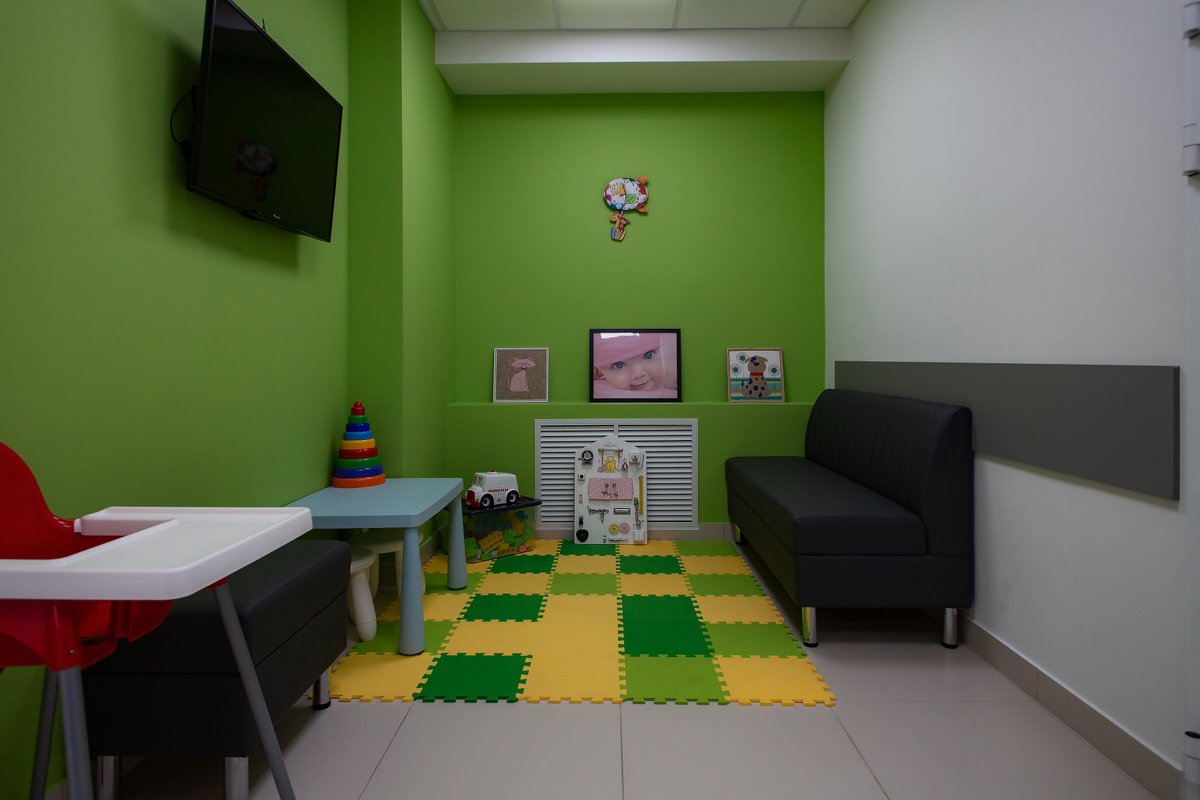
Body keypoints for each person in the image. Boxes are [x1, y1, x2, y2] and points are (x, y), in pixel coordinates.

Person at [592, 332, 678, 399]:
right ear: (600, 372)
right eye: (619, 365)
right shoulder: (599, 392)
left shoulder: (673, 374)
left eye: (648, 355)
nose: (638, 374)